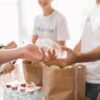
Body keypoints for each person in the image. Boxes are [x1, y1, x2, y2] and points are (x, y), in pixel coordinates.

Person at [44, 0, 100, 99]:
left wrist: (77, 57)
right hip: (83, 77)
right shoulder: (89, 9)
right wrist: (66, 57)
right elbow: (83, 41)